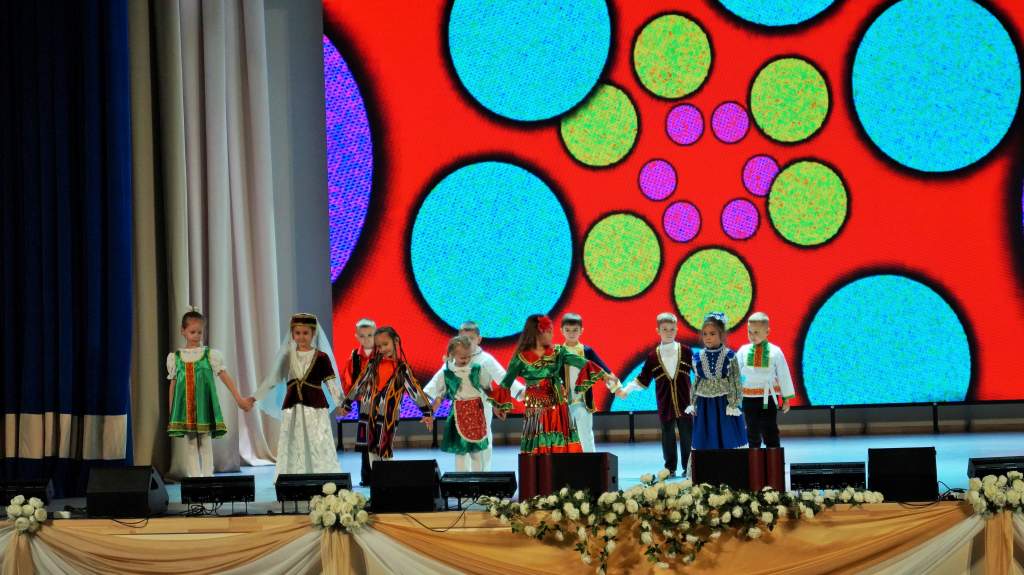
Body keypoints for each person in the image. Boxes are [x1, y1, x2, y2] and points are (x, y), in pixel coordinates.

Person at [499, 315, 616, 454]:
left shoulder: (558, 352)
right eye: (548, 331)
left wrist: (604, 375)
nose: (551, 335)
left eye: (551, 331)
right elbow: (506, 382)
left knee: (561, 445)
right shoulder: (520, 358)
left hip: (558, 407)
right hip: (536, 409)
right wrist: (499, 405)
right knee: (538, 446)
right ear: (537, 334)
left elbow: (581, 361)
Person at [167, 308, 254, 478]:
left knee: (205, 441)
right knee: (191, 442)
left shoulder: (209, 355)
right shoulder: (176, 358)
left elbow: (224, 376)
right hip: (186, 409)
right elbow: (173, 384)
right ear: (183, 331)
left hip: (204, 407)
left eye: (199, 332)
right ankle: (194, 477)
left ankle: (207, 477)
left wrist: (239, 398)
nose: (196, 335)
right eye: (192, 332)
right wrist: (172, 410)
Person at [339, 326, 433, 483]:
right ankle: (378, 484)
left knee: (384, 448)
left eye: (385, 344)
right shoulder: (372, 364)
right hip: (367, 413)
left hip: (388, 416)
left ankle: (389, 484)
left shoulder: (402, 369)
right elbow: (358, 384)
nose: (382, 349)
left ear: (396, 341)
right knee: (371, 450)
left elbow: (414, 390)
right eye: (379, 346)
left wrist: (427, 412)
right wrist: (346, 404)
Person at [254, 313, 343, 477]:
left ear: (313, 333)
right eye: (297, 333)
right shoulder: (288, 356)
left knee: (317, 439)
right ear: (292, 334)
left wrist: (339, 403)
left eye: (305, 333)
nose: (301, 337)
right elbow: (273, 379)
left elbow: (331, 383)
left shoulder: (322, 357)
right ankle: (293, 474)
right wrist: (255, 397)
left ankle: (321, 473)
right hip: (293, 407)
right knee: (294, 439)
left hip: (315, 408)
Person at [424, 335, 512, 471]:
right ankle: (461, 479)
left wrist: (497, 406)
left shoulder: (476, 369)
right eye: (462, 357)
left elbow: (487, 389)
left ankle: (478, 479)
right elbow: (440, 397)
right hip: (458, 415)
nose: (466, 360)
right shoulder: (447, 372)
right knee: (460, 451)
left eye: (468, 356)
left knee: (477, 451)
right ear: (452, 355)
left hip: (476, 414)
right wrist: (430, 413)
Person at [620, 312, 693, 476]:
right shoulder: (653, 356)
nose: (669, 332)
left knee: (687, 435)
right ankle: (670, 468)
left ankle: (688, 467)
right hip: (665, 403)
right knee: (667, 435)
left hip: (685, 403)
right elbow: (642, 379)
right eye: (665, 329)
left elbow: (700, 371)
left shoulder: (686, 351)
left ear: (677, 329)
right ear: (658, 331)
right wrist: (626, 390)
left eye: (672, 329)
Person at [687, 312, 747, 456]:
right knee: (706, 434)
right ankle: (707, 466)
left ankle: (728, 464)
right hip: (704, 404)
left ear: (722, 334)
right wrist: (693, 403)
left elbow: (735, 381)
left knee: (727, 434)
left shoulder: (729, 356)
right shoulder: (698, 356)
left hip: (724, 403)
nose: (708, 337)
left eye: (712, 334)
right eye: (705, 334)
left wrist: (733, 403)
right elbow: (696, 381)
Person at [736, 312, 795, 448]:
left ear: (767, 332)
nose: (752, 336)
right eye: (750, 332)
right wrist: (733, 395)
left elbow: (783, 374)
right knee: (752, 430)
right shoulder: (743, 351)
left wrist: (786, 398)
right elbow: (735, 373)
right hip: (748, 398)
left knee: (770, 429)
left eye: (756, 332)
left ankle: (774, 458)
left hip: (768, 397)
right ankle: (754, 459)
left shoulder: (775, 351)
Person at [559, 313, 614, 453]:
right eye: (567, 330)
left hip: (583, 401)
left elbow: (604, 371)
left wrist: (617, 388)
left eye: (575, 330)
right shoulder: (558, 352)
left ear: (581, 331)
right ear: (562, 331)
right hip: (563, 402)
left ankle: (591, 462)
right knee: (563, 437)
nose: (571, 333)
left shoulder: (587, 351)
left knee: (586, 435)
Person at [343, 318, 376, 485]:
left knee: (382, 439)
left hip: (381, 403)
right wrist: (347, 402)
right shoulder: (354, 357)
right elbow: (348, 380)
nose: (367, 339)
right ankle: (367, 476)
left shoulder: (383, 354)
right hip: (363, 405)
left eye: (370, 335)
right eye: (362, 336)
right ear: (357, 337)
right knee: (365, 441)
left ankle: (383, 475)